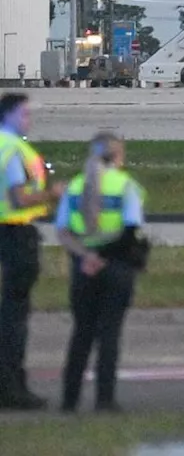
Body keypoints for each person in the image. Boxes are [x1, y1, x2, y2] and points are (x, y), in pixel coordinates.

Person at [56, 133, 146, 413]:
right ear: (118, 156)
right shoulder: (125, 186)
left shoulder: (74, 186)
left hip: (83, 268)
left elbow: (63, 230)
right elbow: (130, 231)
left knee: (81, 334)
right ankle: (104, 399)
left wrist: (87, 256)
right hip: (116, 266)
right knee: (109, 335)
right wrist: (104, 256)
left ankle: (69, 400)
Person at [0, 93, 66, 410]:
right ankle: (11, 388)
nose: (30, 119)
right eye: (24, 113)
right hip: (13, 233)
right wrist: (51, 193)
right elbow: (17, 199)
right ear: (9, 115)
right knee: (14, 315)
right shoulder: (11, 149)